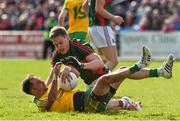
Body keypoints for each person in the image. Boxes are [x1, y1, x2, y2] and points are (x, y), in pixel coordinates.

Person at [22, 46, 174, 112]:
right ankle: (138, 65)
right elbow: (52, 98)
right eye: (38, 82)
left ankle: (161, 72)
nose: (42, 82)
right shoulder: (40, 102)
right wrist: (55, 77)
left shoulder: (45, 87)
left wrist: (58, 67)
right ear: (33, 90)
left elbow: (50, 77)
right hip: (87, 105)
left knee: (121, 71)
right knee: (103, 80)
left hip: (88, 97)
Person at [82, 0, 124, 70]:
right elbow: (98, 9)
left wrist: (91, 19)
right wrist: (114, 18)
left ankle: (97, 79)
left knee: (103, 61)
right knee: (113, 61)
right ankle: (98, 80)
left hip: (93, 28)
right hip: (101, 28)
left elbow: (84, 6)